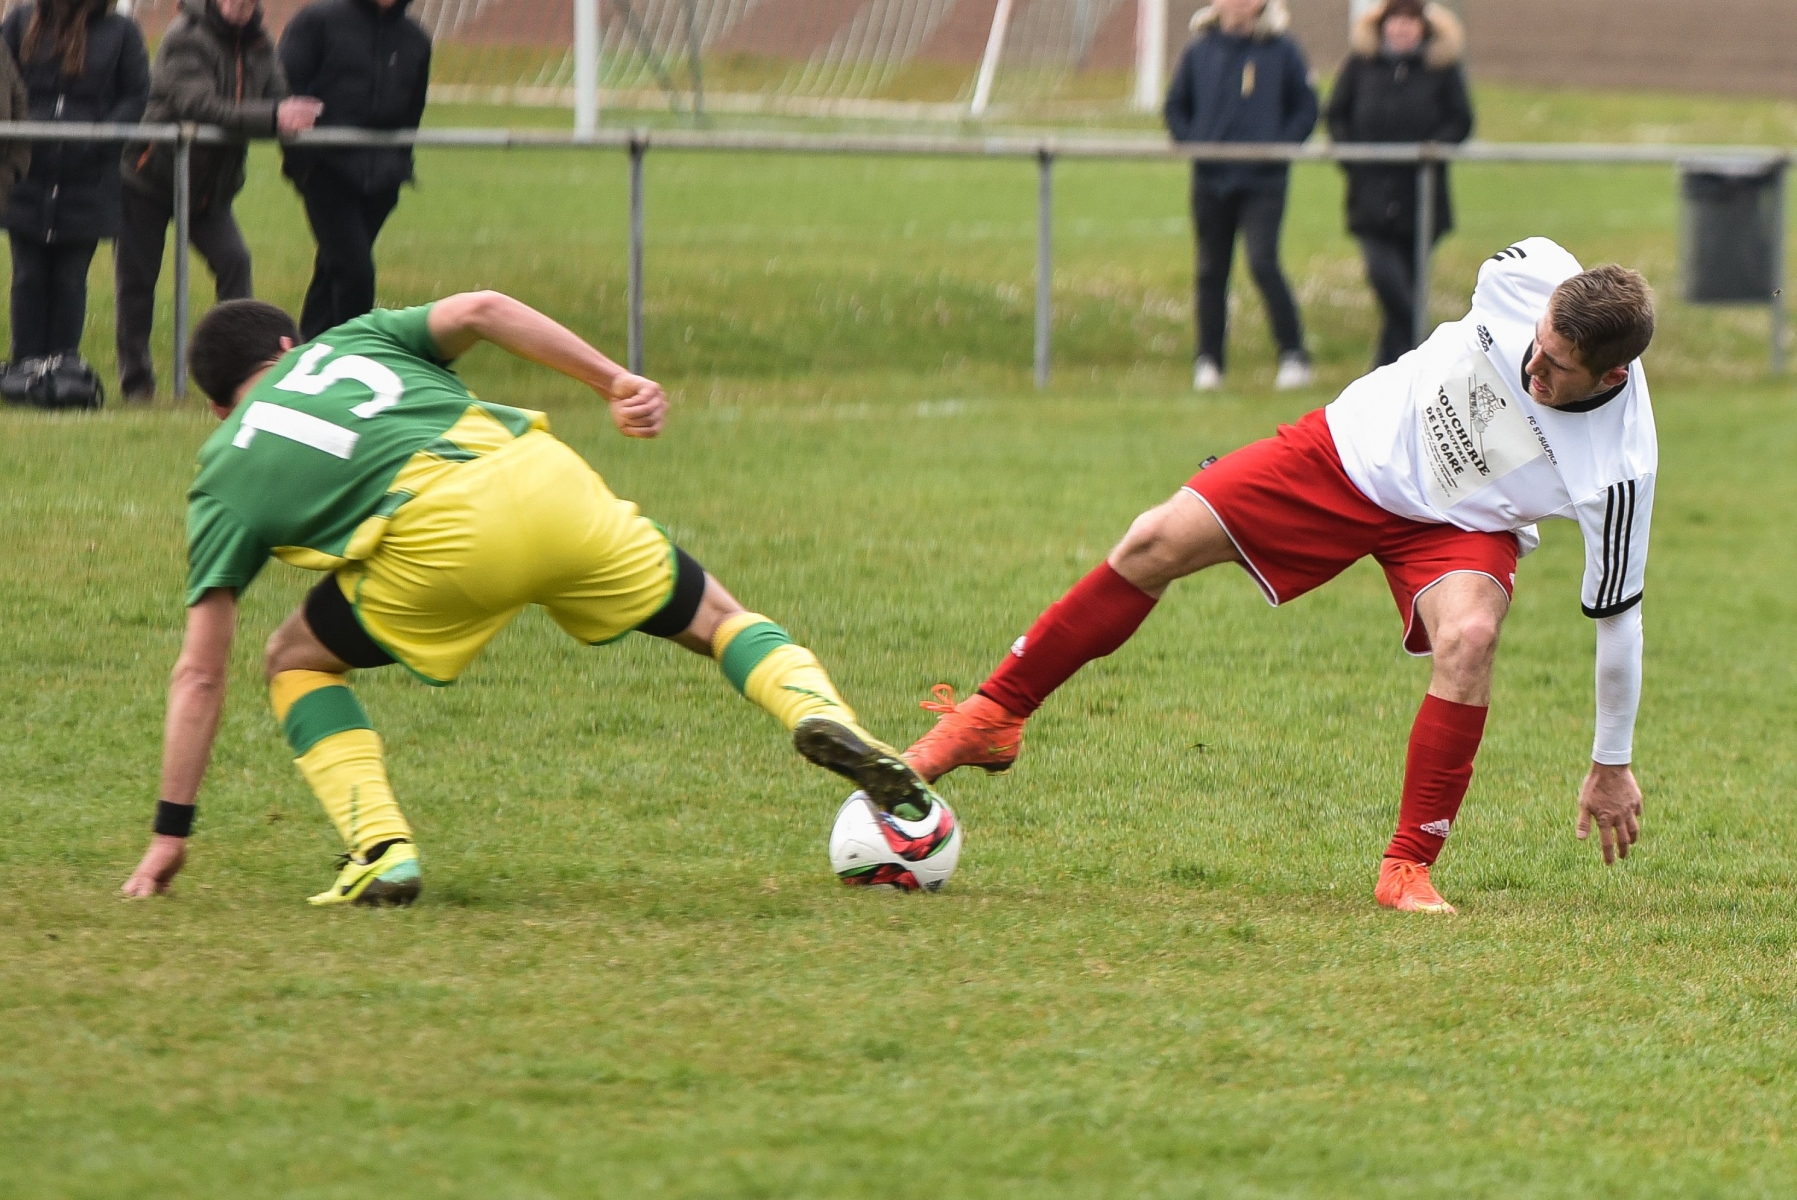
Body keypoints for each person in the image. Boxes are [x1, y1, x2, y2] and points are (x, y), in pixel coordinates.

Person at [904, 239, 1657, 914]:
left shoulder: (1619, 469)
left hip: (1462, 524)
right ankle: (993, 715)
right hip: (1347, 454)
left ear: (1611, 374)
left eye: (1556, 369)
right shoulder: (1523, 273)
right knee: (1152, 540)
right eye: (1535, 347)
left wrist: (1610, 764)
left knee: (1469, 637)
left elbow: (1619, 620)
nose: (1533, 368)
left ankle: (1407, 867)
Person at [120, 291, 942, 906]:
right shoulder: (356, 339)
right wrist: (613, 379)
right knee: (720, 620)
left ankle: (381, 847)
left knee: (292, 660)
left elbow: (199, 674)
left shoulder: (224, 465)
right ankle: (819, 718)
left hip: (434, 541)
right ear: (291, 344)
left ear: (220, 405)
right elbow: (481, 307)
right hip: (541, 478)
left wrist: (169, 835)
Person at [114, 0, 322, 404]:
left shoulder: (261, 44)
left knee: (235, 261)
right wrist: (275, 116)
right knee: (137, 282)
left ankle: (241, 374)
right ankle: (136, 384)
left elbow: (275, 100)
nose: (239, 5)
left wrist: (293, 119)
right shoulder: (185, 38)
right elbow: (198, 105)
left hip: (211, 189)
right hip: (149, 176)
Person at [1163, 0, 1318, 393]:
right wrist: (1197, 143)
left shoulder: (1282, 50)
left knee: (1263, 262)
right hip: (1211, 180)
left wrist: (1278, 146)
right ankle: (1209, 360)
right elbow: (1176, 106)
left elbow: (1305, 108)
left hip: (1263, 182)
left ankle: (1294, 355)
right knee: (1211, 269)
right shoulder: (1200, 49)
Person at [1, 0, 148, 369]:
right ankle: (23, 370)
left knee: (70, 279)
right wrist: (18, 141)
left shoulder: (122, 33)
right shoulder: (20, 22)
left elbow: (135, 95)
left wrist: (99, 140)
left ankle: (62, 371)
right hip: (27, 178)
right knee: (28, 276)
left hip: (89, 181)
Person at [1327, 0, 1473, 368]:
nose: (1402, 30)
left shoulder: (1441, 70)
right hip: (1370, 199)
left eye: (1410, 23)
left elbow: (1461, 120)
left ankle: (1387, 373)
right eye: (1396, 23)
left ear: (1422, 28)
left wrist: (1431, 151)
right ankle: (1426, 358)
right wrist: (1354, 160)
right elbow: (1336, 115)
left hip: (1422, 200)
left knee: (1408, 286)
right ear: (1383, 26)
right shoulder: (1361, 67)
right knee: (1390, 285)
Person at [278, 0, 430, 341]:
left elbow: (412, 114)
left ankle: (306, 358)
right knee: (355, 272)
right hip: (326, 173)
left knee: (333, 271)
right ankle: (357, 357)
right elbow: (283, 91)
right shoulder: (317, 21)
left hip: (382, 182)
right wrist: (304, 164)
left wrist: (398, 168)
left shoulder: (415, 39)